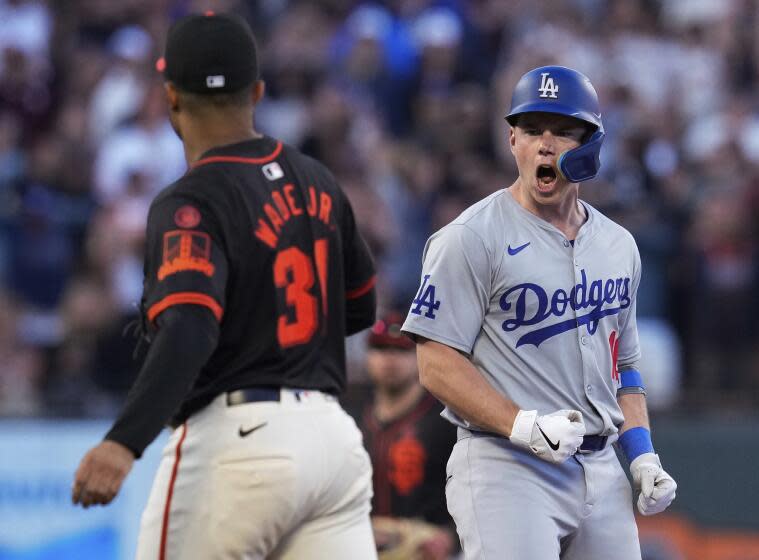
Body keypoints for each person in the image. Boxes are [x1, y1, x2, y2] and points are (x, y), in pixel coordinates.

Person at [71, 13, 379, 560]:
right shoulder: (319, 180)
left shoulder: (192, 199)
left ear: (171, 99)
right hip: (332, 441)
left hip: (238, 442)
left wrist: (124, 442)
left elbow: (190, 329)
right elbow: (359, 308)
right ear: (257, 91)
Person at [401, 65, 677, 559]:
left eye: (562, 131)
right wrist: (522, 425)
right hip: (505, 464)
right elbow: (436, 362)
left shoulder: (618, 245)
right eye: (531, 131)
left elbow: (626, 369)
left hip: (601, 470)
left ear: (591, 145)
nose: (545, 145)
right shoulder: (470, 237)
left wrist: (641, 456)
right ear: (512, 141)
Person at [345, 311, 457, 560]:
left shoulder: (447, 419)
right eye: (381, 349)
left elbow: (473, 487)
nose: (389, 360)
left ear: (419, 355)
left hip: (425, 546)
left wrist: (452, 536)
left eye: (401, 350)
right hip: (362, 540)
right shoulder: (349, 416)